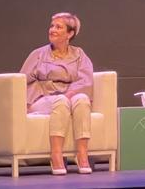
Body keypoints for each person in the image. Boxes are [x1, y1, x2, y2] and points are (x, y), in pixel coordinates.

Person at [20, 12, 95, 175]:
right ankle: (56, 155)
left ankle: (82, 154)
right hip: (42, 98)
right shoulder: (38, 54)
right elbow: (22, 80)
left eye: (58, 27)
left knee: (82, 99)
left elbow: (86, 81)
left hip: (70, 95)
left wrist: (69, 95)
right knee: (61, 101)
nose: (52, 30)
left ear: (70, 33)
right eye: (52, 26)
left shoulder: (79, 54)